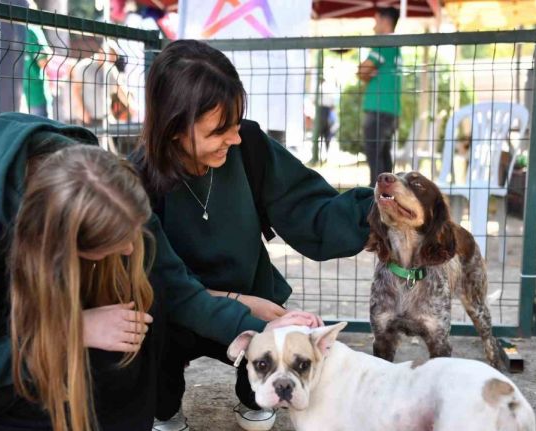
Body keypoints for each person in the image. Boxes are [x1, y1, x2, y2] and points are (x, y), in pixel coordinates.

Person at [0, 112, 316, 431]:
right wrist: (73, 329)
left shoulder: (109, 184)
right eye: (116, 240)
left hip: (50, 322)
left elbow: (176, 287)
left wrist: (259, 333)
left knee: (142, 319)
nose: (133, 247)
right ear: (61, 243)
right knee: (56, 391)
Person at [133, 40, 373, 431]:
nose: (235, 138)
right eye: (218, 130)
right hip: (179, 310)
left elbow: (308, 208)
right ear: (174, 128)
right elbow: (166, 286)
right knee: (149, 324)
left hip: (255, 301)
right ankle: (164, 404)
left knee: (274, 377)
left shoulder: (251, 146)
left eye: (236, 123)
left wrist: (373, 215)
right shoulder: (136, 181)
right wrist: (243, 304)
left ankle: (253, 392)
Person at [357, 7, 402, 187]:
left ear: (385, 21)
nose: (374, 25)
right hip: (391, 110)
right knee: (383, 158)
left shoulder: (383, 42)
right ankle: (387, 200)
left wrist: (365, 71)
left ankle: (375, 200)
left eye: (376, 20)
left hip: (377, 108)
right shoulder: (395, 46)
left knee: (375, 159)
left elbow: (363, 70)